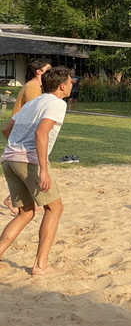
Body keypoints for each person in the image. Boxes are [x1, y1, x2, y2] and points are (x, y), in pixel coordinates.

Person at [0, 66, 72, 275]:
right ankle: (40, 265)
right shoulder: (57, 103)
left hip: (9, 159)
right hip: (29, 162)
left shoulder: (33, 102)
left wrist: (17, 150)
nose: (71, 84)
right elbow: (42, 133)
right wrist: (43, 170)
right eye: (70, 81)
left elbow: (6, 129)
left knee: (26, 212)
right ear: (62, 85)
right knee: (54, 209)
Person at [3, 57, 52, 214]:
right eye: (48, 70)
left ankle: (13, 199)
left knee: (27, 169)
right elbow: (34, 117)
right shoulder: (33, 89)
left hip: (18, 132)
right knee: (33, 169)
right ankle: (12, 199)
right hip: (22, 133)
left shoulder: (32, 86)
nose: (52, 74)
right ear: (39, 72)